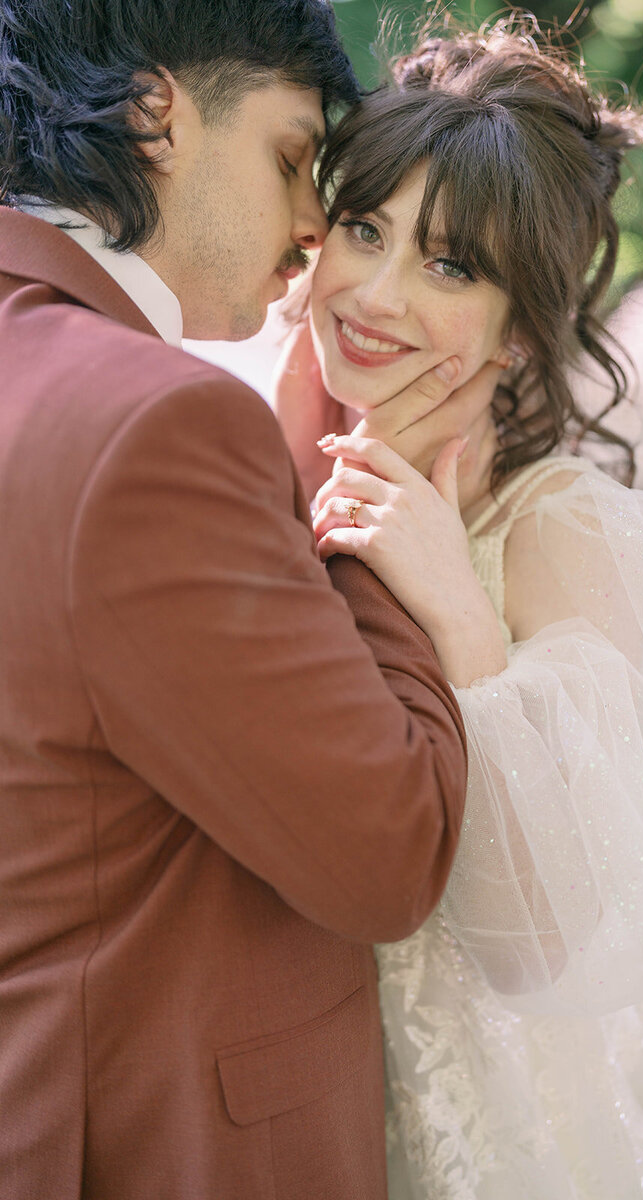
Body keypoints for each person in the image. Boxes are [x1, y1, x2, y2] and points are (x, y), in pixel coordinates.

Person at [281, 16, 643, 1198]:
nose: (373, 291)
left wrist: (454, 602)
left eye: (449, 264)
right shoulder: (262, 430)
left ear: (518, 335)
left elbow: (550, 936)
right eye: (364, 228)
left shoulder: (553, 526)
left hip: (493, 1079)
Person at [0, 3, 506, 1196]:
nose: (310, 227)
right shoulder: (154, 423)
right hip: (145, 1132)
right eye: (290, 157)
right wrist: (374, 506)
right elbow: (387, 854)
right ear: (152, 113)